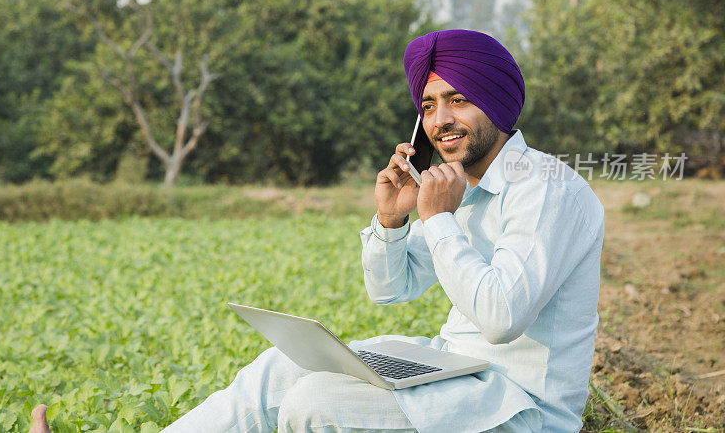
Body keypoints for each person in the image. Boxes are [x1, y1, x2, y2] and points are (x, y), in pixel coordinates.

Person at [30, 29, 604, 433]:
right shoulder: (455, 185)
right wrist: (393, 219)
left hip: (518, 406)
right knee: (279, 370)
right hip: (454, 371)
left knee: (316, 404)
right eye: (428, 106)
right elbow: (391, 290)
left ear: (498, 104)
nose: (441, 120)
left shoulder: (546, 187)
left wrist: (438, 219)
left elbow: (503, 318)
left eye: (458, 100)